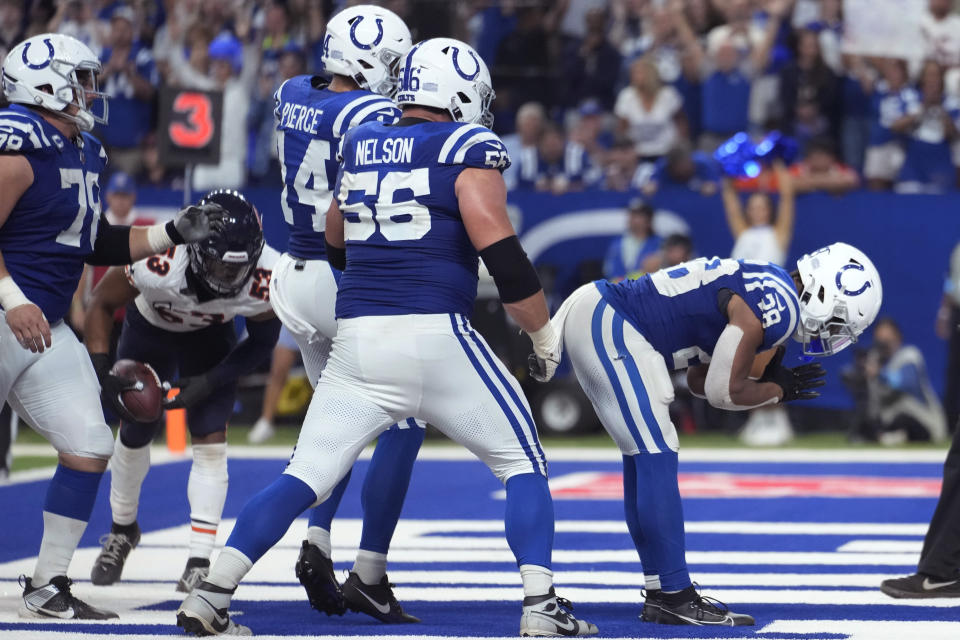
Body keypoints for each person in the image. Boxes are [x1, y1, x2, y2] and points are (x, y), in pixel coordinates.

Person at [176, 37, 598, 638]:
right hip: (437, 334)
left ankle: (210, 596)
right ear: (457, 95)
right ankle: (541, 607)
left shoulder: (364, 139)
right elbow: (504, 258)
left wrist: (370, 284)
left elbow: (334, 233)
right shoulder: (466, 146)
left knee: (303, 476)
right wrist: (542, 334)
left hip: (359, 341)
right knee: (522, 463)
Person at [0, 33, 223, 620]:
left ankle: (47, 585)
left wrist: (173, 232)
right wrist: (9, 297)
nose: (91, 92)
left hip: (40, 325)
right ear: (42, 84)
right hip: (7, 314)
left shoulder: (84, 150)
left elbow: (96, 242)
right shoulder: (17, 141)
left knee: (90, 443)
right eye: (80, 79)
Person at [543, 242, 882, 626]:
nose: (830, 334)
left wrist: (761, 378)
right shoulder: (783, 307)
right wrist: (776, 391)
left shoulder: (771, 281)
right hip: (615, 323)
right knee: (656, 452)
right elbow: (724, 392)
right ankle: (674, 594)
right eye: (837, 322)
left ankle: (661, 590)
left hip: (602, 313)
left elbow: (699, 379)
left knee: (646, 455)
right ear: (824, 294)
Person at [269, 4, 426, 623]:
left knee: (339, 421)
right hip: (342, 278)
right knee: (405, 422)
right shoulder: (368, 112)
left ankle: (318, 538)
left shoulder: (291, 92)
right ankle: (371, 572)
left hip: (293, 275)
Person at [83, 190, 281, 593]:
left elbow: (261, 343)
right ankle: (123, 528)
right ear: (193, 251)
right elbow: (100, 305)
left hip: (210, 339)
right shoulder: (159, 263)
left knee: (210, 433)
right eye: (219, 266)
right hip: (149, 330)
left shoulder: (269, 275)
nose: (228, 278)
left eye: (235, 269)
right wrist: (103, 370)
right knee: (136, 427)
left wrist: (212, 380)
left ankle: (199, 559)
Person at [248, 327, 301, 444]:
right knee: (278, 371)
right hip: (296, 315)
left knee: (324, 374)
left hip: (325, 317)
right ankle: (266, 422)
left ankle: (326, 422)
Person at [603, 198, 661, 282]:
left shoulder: (658, 243)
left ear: (648, 220)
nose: (632, 219)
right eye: (631, 215)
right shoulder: (617, 243)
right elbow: (608, 269)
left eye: (638, 216)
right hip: (617, 291)